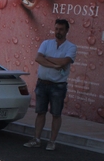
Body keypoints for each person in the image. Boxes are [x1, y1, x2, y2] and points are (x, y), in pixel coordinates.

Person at [24, 18, 77, 151]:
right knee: (40, 112)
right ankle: (36, 139)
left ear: (66, 31)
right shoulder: (46, 43)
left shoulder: (71, 47)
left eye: (61, 29)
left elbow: (64, 61)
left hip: (58, 86)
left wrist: (46, 59)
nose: (58, 32)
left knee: (56, 114)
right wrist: (56, 63)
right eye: (56, 29)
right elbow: (38, 58)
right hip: (42, 84)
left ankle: (52, 141)